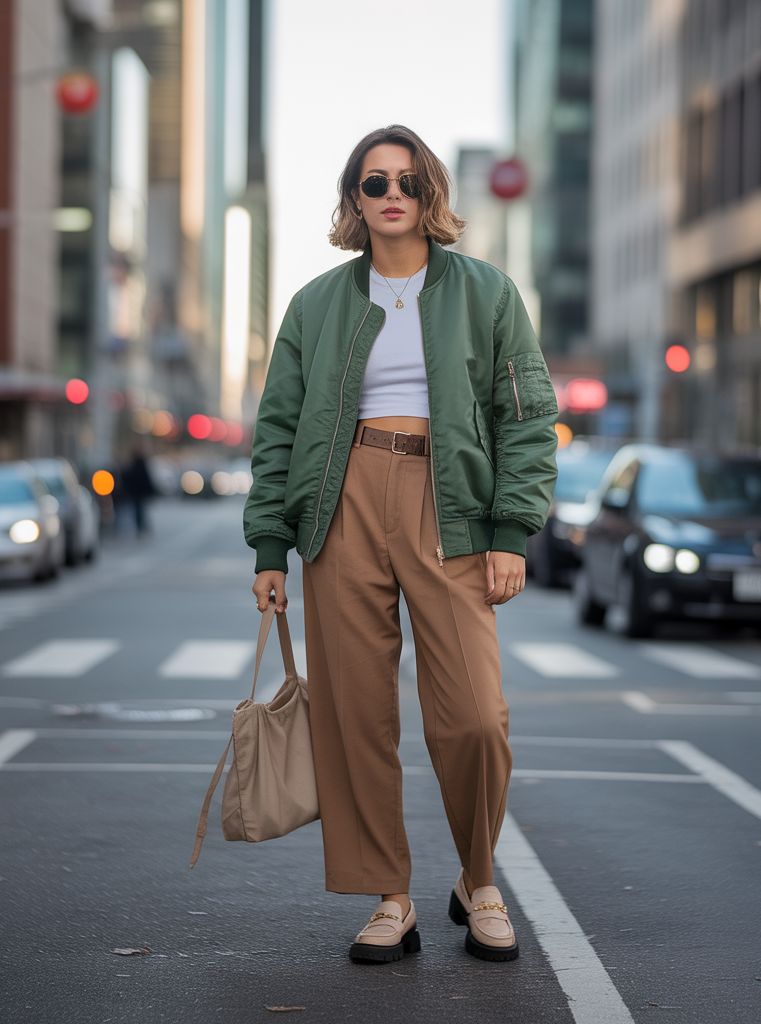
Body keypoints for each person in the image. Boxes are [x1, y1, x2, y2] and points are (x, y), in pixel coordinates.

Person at [244, 125, 557, 964]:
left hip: (449, 504)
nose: (392, 195)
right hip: (340, 504)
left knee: (475, 719)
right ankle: (389, 895)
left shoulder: (487, 293)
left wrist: (511, 529)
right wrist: (271, 547)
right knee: (356, 715)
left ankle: (478, 879)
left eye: (409, 182)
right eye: (374, 182)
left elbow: (525, 419)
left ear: (432, 198)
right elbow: (278, 428)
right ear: (353, 199)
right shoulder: (315, 303)